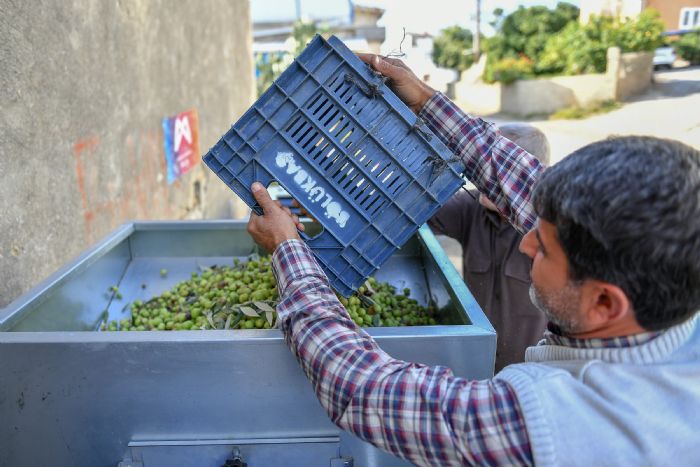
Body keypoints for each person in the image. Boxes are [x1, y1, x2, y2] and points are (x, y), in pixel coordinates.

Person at [246, 52, 700, 466]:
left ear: (604, 303)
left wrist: (290, 253)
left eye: (542, 248)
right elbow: (526, 186)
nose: (525, 243)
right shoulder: (666, 287)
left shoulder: (561, 430)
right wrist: (424, 101)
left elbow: (363, 388)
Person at [429, 123, 550, 371]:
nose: (485, 182)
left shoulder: (547, 231)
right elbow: (421, 211)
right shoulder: (471, 206)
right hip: (475, 359)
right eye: (482, 172)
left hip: (526, 367)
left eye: (497, 176)